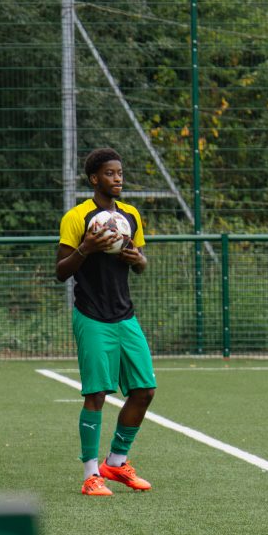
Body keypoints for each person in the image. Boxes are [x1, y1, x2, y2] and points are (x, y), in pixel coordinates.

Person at [56, 147, 156, 496]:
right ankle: (90, 475)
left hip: (124, 314)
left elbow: (141, 265)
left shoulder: (130, 215)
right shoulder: (78, 217)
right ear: (94, 178)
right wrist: (86, 248)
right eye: (111, 174)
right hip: (91, 314)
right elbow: (60, 271)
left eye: (120, 173)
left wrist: (137, 258)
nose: (118, 179)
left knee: (145, 390)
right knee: (97, 393)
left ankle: (115, 463)